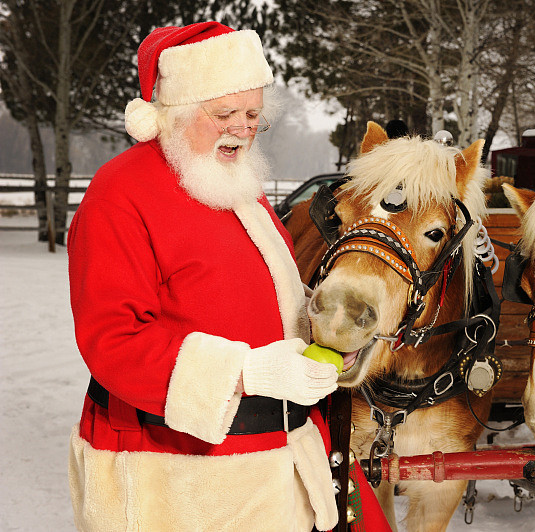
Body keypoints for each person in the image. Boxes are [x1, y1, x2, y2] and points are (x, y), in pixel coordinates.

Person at [67, 22, 341, 531]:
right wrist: (247, 373)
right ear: (174, 113)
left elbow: (258, 292)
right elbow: (113, 341)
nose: (242, 128)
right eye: (225, 114)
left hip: (275, 466)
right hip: (177, 482)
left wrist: (328, 318)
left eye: (254, 114)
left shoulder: (236, 182)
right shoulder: (119, 193)